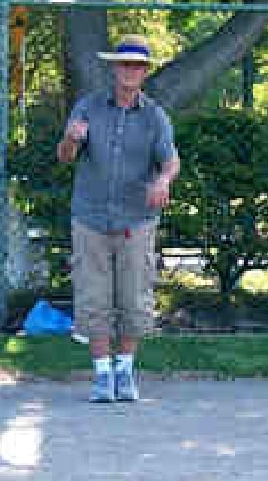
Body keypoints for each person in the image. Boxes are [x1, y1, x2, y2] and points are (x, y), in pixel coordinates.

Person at [57, 34, 180, 403]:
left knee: (134, 296)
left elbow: (171, 160)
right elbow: (64, 157)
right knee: (93, 297)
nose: (131, 70)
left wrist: (162, 180)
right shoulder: (88, 107)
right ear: (115, 68)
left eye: (138, 65)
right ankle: (101, 377)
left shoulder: (156, 116)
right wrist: (71, 139)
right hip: (90, 217)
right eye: (125, 64)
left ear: (145, 72)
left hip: (137, 220)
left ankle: (125, 372)